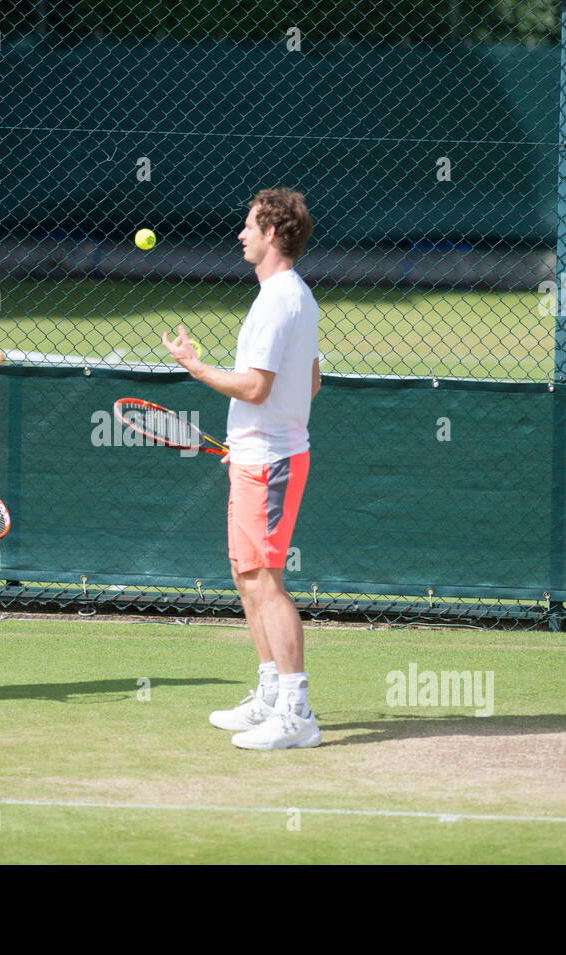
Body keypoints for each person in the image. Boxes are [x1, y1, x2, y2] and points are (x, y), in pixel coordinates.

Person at [163, 188, 321, 749]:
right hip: (258, 454)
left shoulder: (280, 301)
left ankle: (297, 714)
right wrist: (252, 437)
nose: (240, 235)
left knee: (265, 581)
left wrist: (194, 367)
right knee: (246, 575)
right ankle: (271, 696)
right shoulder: (291, 296)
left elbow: (256, 386)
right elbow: (312, 380)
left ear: (273, 234)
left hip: (270, 461)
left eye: (249, 226)